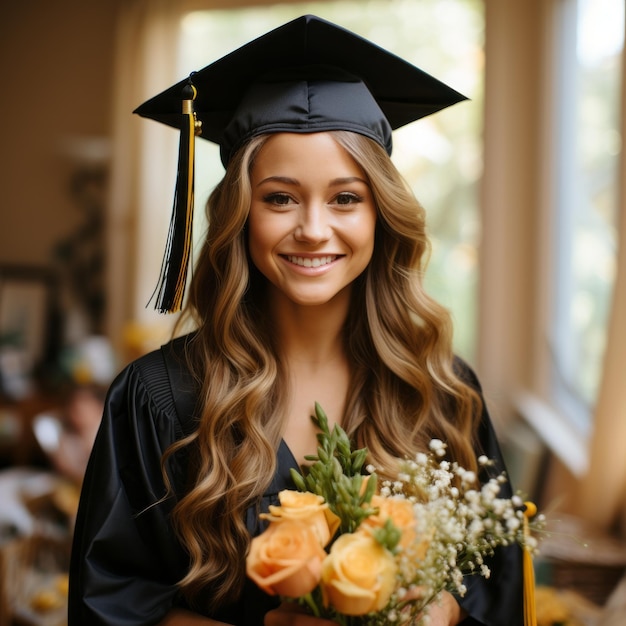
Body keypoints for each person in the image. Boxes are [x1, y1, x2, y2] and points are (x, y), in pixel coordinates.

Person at [68, 14, 523, 626]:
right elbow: (108, 607)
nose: (313, 228)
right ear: (241, 215)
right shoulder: (159, 398)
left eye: (346, 197)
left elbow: (497, 597)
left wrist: (438, 611)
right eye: (280, 197)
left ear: (380, 214)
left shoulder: (441, 391)